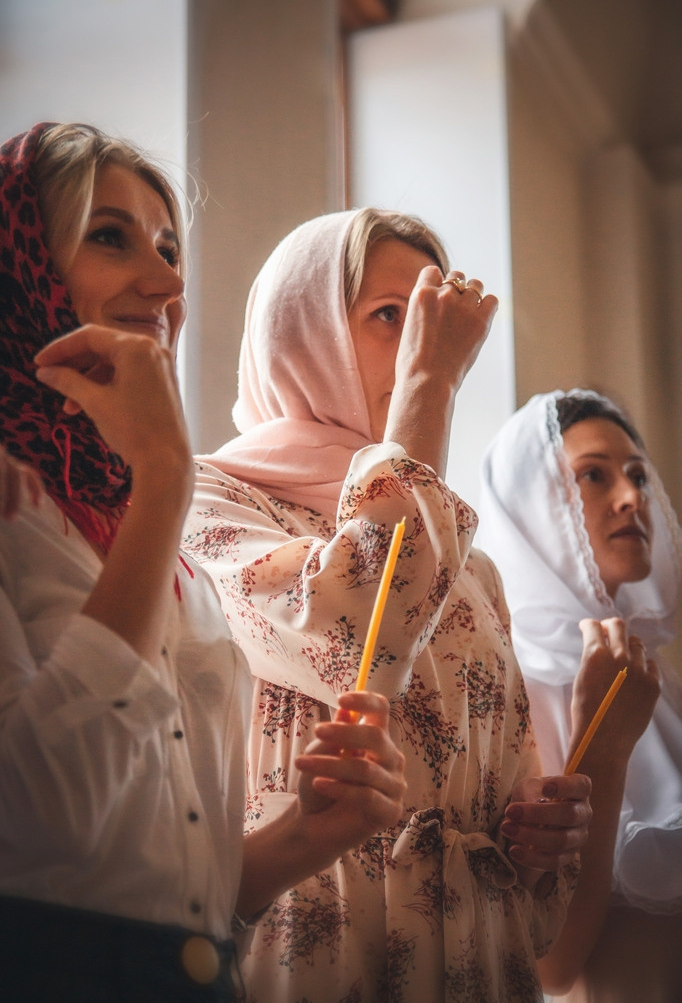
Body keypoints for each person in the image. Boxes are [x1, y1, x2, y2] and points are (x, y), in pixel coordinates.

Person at [0, 122, 408, 1003]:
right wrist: (165, 481)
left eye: (169, 246)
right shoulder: (61, 505)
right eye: (110, 237)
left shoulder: (155, 540)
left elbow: (180, 891)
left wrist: (305, 837)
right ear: (20, 260)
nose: (169, 284)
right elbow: (36, 820)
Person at [182, 208, 594, 1003]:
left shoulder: (471, 567)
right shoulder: (211, 500)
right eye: (386, 317)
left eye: (428, 322)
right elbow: (358, 632)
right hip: (320, 947)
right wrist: (430, 384)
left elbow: (531, 884)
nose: (415, 348)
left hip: (478, 956)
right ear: (301, 331)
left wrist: (539, 838)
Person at [477, 389, 682, 1002]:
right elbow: (549, 967)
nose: (631, 498)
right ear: (527, 506)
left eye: (639, 475)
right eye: (592, 475)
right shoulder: (506, 683)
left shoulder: (656, 679)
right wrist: (606, 749)